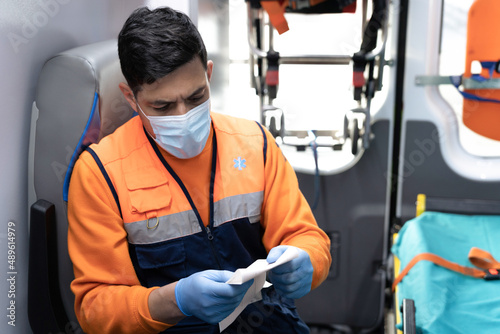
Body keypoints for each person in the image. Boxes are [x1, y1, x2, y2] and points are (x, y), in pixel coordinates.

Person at [67, 6, 331, 334]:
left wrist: (308, 260)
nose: (184, 115)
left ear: (208, 74)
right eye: (162, 106)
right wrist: (174, 301)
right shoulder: (99, 174)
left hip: (265, 319)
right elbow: (95, 308)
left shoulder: (255, 143)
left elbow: (305, 236)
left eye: (196, 97)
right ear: (131, 98)